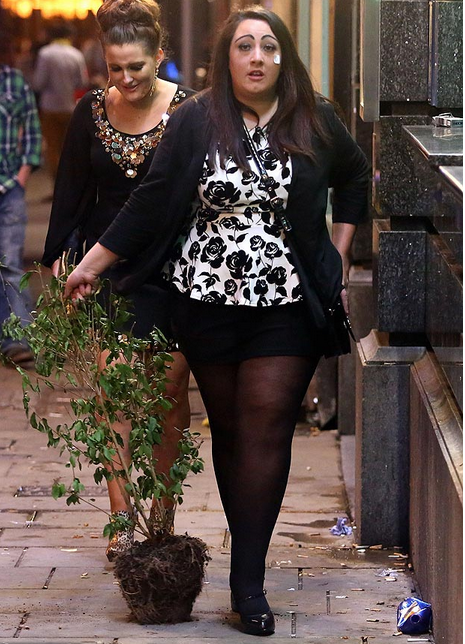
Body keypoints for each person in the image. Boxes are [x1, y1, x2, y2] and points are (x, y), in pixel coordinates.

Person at [64, 5, 369, 636]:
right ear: (226, 56)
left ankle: (247, 582)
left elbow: (355, 177)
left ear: (284, 56)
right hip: (204, 300)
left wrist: (338, 253)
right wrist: (92, 263)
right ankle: (243, 555)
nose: (257, 57)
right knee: (230, 433)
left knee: (266, 425)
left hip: (288, 302)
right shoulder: (197, 118)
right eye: (244, 46)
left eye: (269, 46)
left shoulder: (314, 116)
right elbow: (151, 201)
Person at [41, 0, 195, 561]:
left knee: (169, 395)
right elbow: (72, 190)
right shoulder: (90, 112)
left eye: (137, 67)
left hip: (173, 268)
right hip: (107, 267)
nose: (125, 79)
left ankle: (163, 514)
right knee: (113, 395)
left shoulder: (188, 112)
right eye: (114, 68)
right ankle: (122, 520)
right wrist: (63, 258)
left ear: (159, 56)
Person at [0, 30, 42, 365]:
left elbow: (31, 133)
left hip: (8, 189)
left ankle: (17, 340)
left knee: (10, 265)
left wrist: (22, 176)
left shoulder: (14, 82)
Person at [33, 19, 88, 182]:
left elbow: (38, 82)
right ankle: (71, 182)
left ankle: (57, 184)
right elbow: (82, 82)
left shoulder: (45, 54)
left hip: (49, 107)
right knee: (69, 148)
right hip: (70, 106)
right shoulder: (76, 54)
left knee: (52, 149)